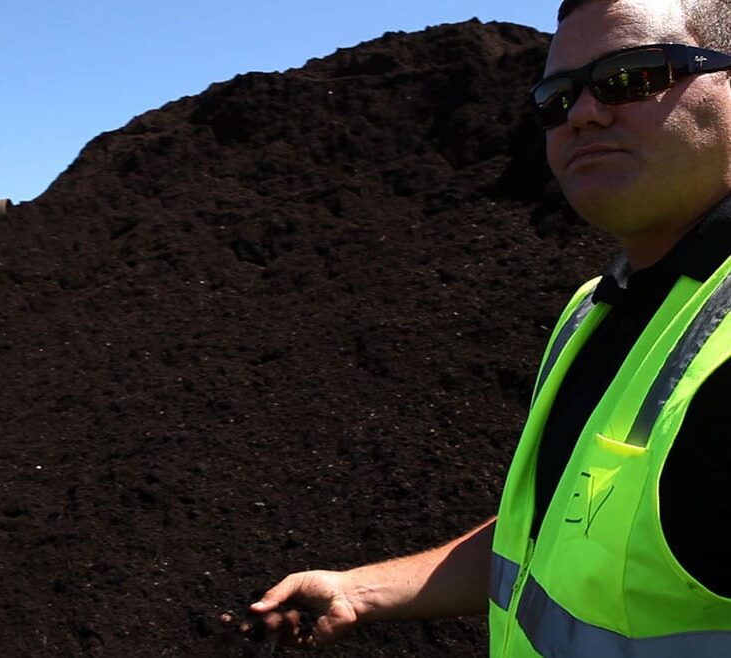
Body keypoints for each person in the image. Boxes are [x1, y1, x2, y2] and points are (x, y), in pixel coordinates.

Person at [240, 0, 731, 654]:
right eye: (557, 97)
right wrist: (360, 591)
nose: (584, 112)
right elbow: (565, 528)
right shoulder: (597, 309)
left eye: (635, 75)